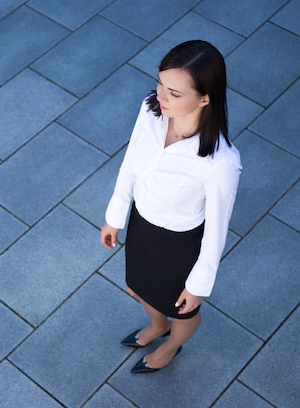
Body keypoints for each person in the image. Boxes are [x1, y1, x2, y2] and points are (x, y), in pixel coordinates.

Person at [100, 40, 241, 374]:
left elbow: (217, 231)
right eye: (161, 84)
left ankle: (172, 344)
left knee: (183, 311)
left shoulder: (221, 161)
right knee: (135, 286)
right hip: (142, 225)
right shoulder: (151, 110)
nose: (161, 97)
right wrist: (114, 217)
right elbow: (130, 163)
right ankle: (157, 325)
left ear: (205, 98)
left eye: (174, 94)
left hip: (179, 245)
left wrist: (198, 285)